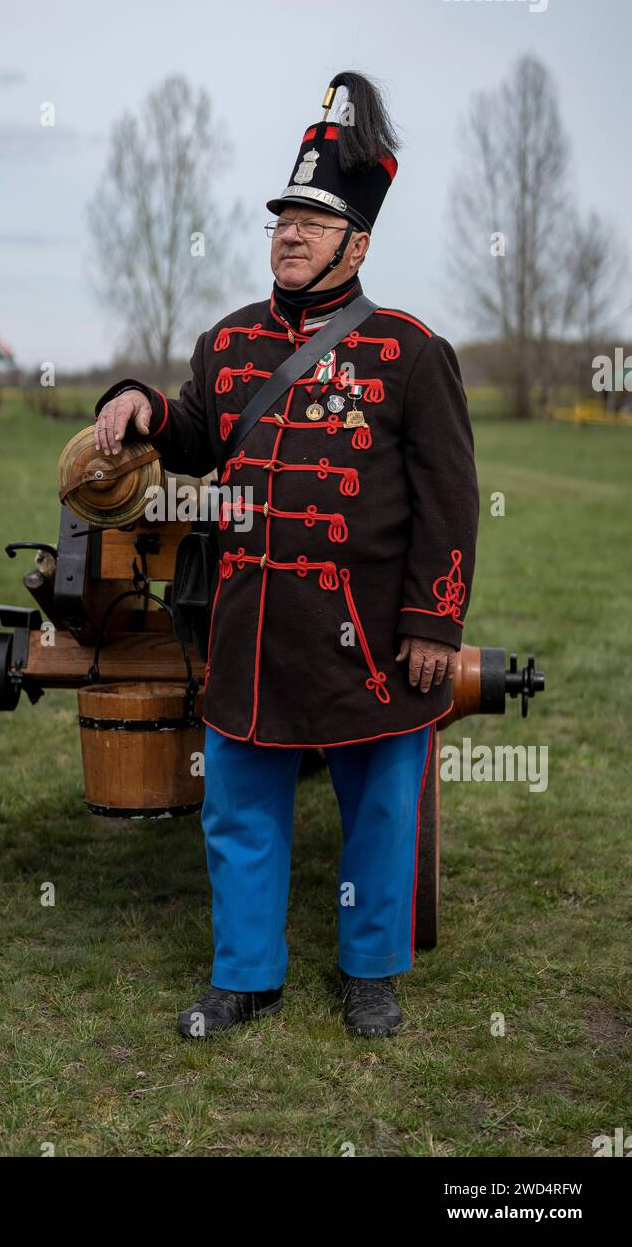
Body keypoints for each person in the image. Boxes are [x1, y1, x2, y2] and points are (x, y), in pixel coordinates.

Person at [93, 71, 479, 1039]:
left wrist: (433, 623)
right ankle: (246, 975)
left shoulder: (409, 352)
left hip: (366, 635)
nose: (289, 235)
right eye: (281, 221)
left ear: (357, 241)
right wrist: (141, 403)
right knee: (238, 811)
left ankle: (367, 972)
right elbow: (192, 432)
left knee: (381, 811)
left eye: (312, 222)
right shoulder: (224, 345)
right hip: (250, 631)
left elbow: (448, 500)